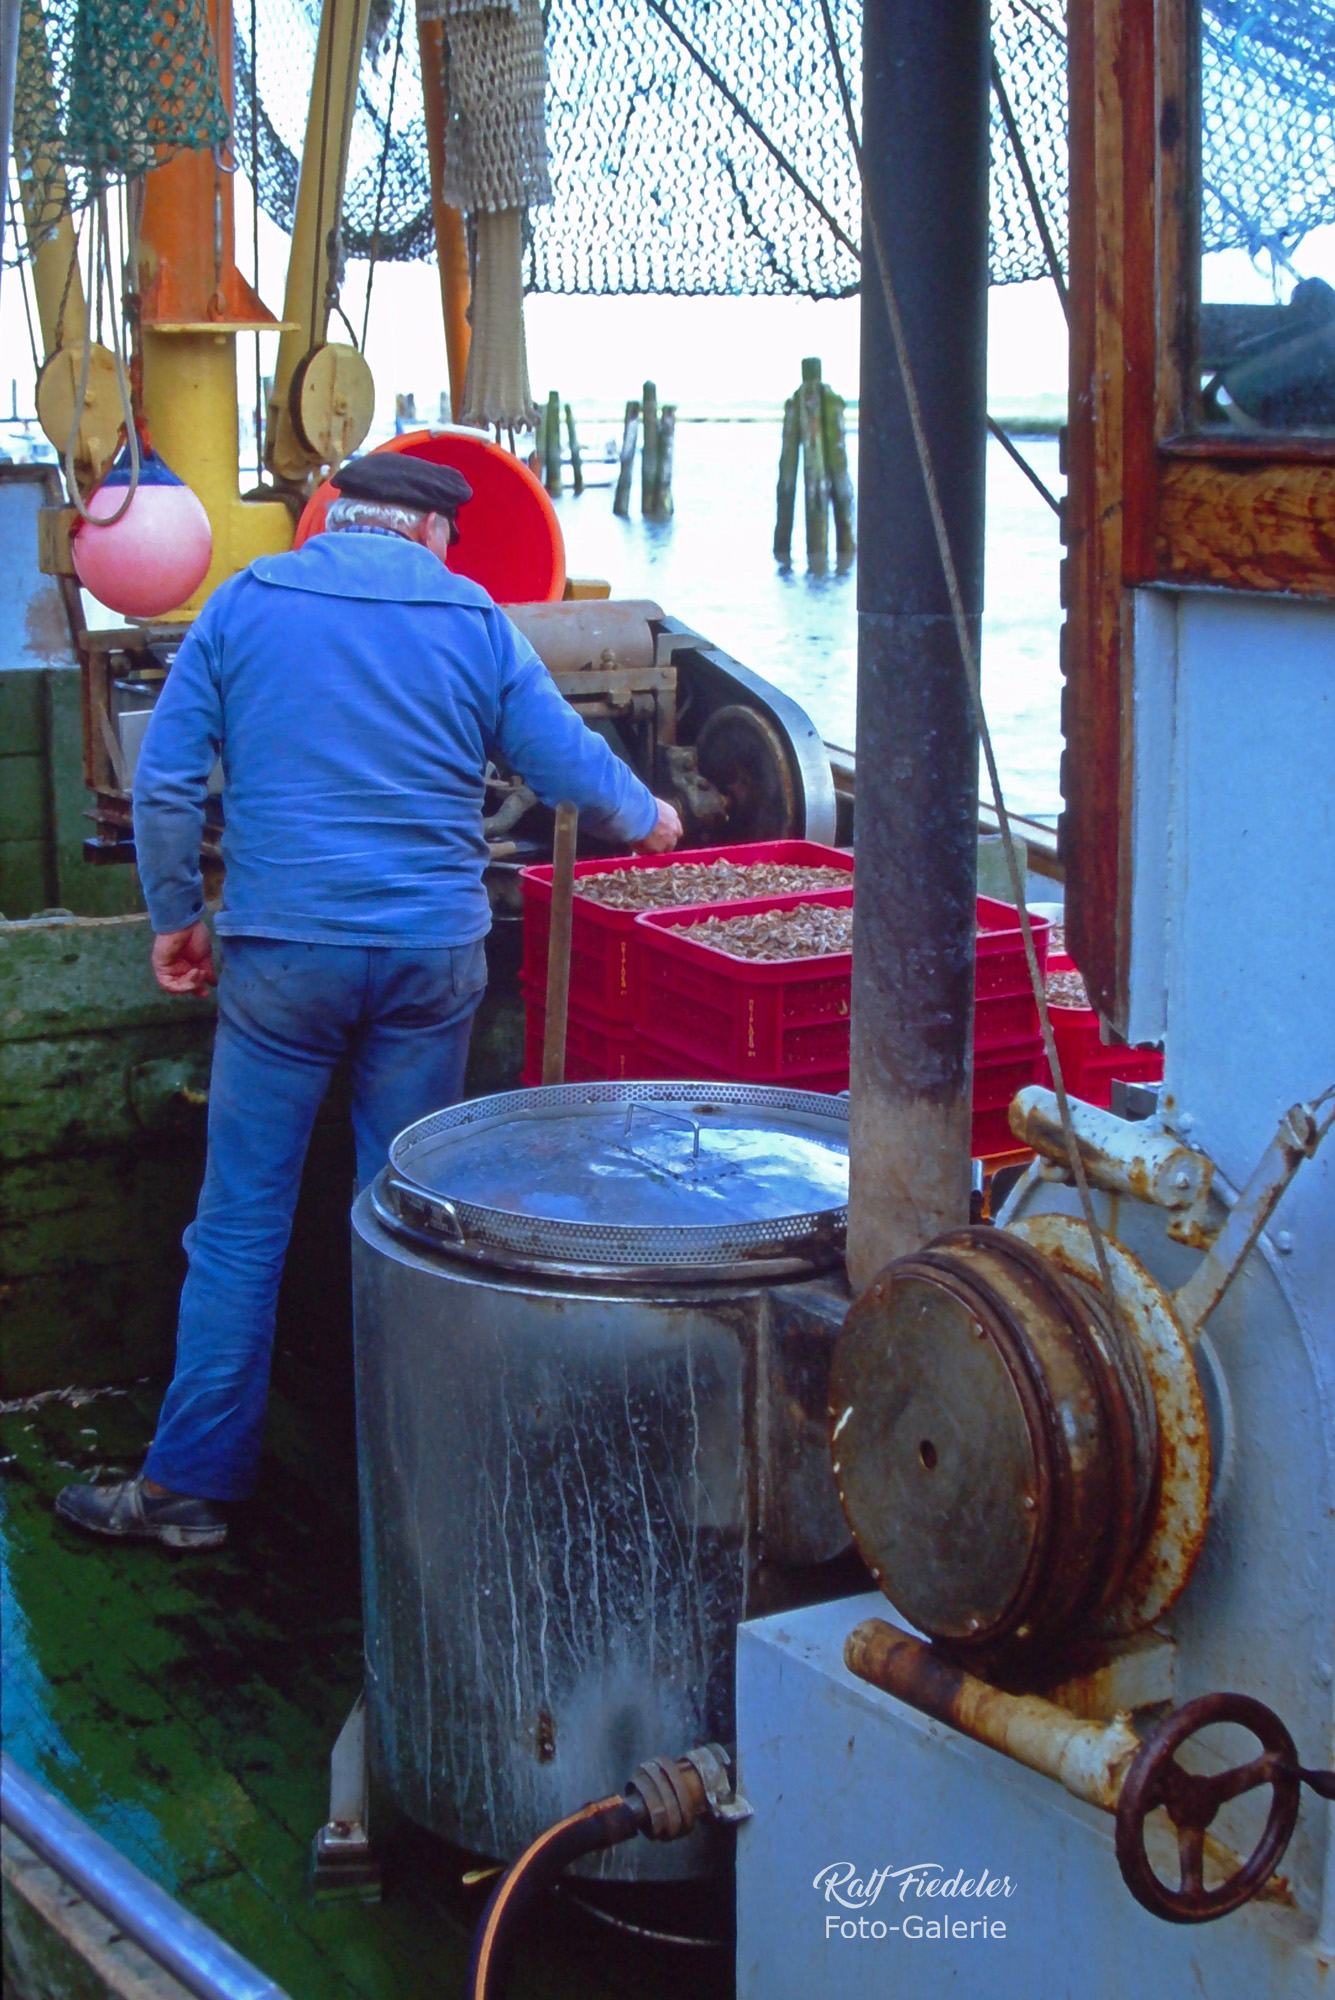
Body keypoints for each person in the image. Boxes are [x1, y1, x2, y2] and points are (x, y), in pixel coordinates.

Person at [56, 453, 682, 1550]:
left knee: (242, 1223)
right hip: (429, 961)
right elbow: (568, 761)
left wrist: (175, 916)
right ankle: (416, 1480)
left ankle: (191, 1486)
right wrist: (650, 815)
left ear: (328, 520)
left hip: (283, 962)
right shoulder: (477, 619)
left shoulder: (247, 602)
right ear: (434, 537)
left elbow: (162, 782)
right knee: (406, 1217)